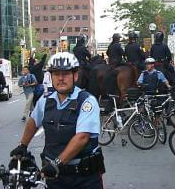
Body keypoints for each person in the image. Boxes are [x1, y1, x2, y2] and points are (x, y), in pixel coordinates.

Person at [10, 52, 105, 188]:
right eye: (56, 74)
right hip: (55, 176)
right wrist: (22, 146)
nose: (61, 78)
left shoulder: (87, 101)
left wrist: (57, 163)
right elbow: (33, 121)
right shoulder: (45, 100)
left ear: (75, 75)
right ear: (51, 77)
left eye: (65, 74)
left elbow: (82, 137)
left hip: (84, 177)